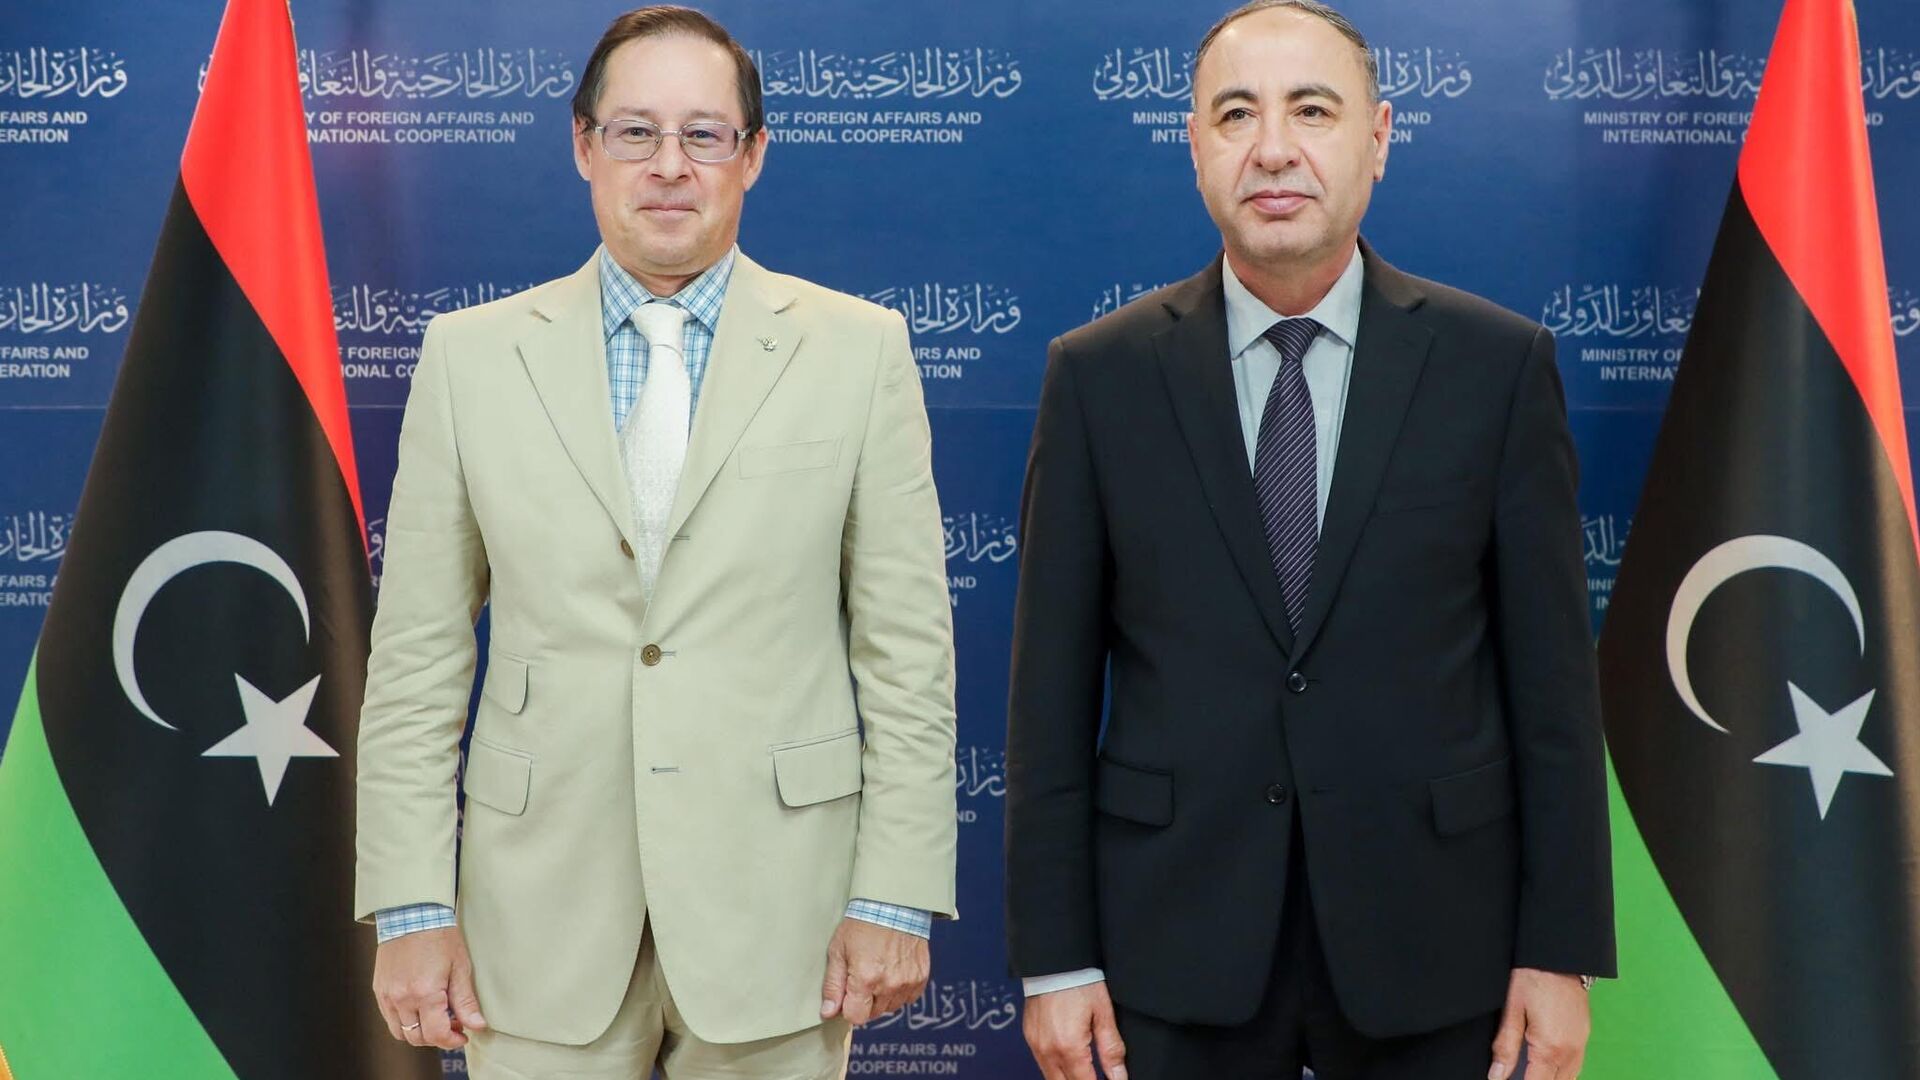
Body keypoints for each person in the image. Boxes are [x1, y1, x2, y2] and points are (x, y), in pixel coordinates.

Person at [1004, 3, 1615, 1078]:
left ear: (1378, 138)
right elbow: (1046, 704)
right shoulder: (1099, 378)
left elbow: (1555, 696)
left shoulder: (1496, 367)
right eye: (1236, 113)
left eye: (1313, 110)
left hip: (1439, 947)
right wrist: (1055, 962)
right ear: (1195, 147)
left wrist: (1559, 952)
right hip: (1171, 948)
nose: (1274, 148)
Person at [353, 8, 958, 1077]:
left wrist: (895, 896)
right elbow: (416, 662)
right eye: (636, 132)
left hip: (784, 922)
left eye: (703, 134)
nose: (669, 165)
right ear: (583, 145)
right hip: (532, 928)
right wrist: (410, 906)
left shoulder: (860, 353)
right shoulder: (470, 358)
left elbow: (907, 656)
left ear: (752, 154)